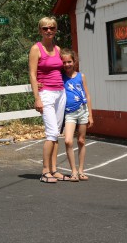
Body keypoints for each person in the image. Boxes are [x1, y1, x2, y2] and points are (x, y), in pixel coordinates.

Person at [29, 17, 69, 183]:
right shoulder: (36, 49)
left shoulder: (58, 48)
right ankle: (45, 171)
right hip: (46, 94)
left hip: (60, 92)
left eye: (51, 28)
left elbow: (65, 69)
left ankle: (54, 170)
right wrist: (37, 97)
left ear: (55, 30)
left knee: (57, 134)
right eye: (45, 28)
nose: (48, 31)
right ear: (40, 30)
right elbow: (32, 74)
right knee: (51, 133)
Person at [61, 48, 93, 181]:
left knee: (81, 140)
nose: (67, 64)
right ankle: (73, 171)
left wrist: (90, 115)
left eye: (70, 61)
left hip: (83, 110)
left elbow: (87, 95)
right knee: (68, 141)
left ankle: (80, 170)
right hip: (70, 113)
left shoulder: (81, 76)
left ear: (74, 62)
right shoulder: (60, 77)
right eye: (64, 62)